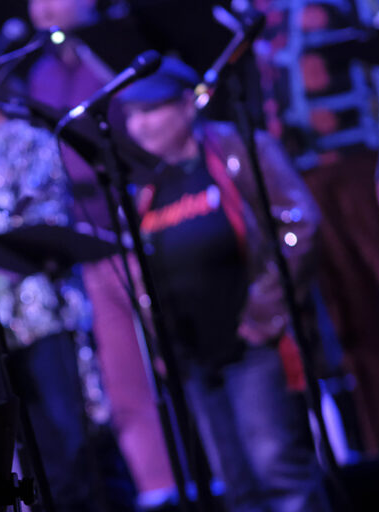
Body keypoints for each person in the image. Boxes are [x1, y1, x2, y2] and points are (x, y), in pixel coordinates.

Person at [0, 27, 136, 512]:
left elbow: (41, 223)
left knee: (81, 451)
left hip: (45, 319)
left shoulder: (29, 138)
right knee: (30, 466)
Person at [118, 57, 331, 512]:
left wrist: (265, 312)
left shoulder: (241, 151)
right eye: (132, 115)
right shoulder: (149, 189)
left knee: (278, 471)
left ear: (186, 106)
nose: (140, 125)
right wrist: (162, 343)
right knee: (237, 488)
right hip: (197, 357)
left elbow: (301, 224)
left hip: (253, 344)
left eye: (151, 110)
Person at [25, 0, 174, 504]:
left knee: (178, 365)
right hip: (89, 245)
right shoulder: (41, 73)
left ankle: (219, 478)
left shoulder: (122, 47)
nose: (43, 9)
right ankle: (158, 490)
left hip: (148, 226)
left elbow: (150, 132)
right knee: (122, 382)